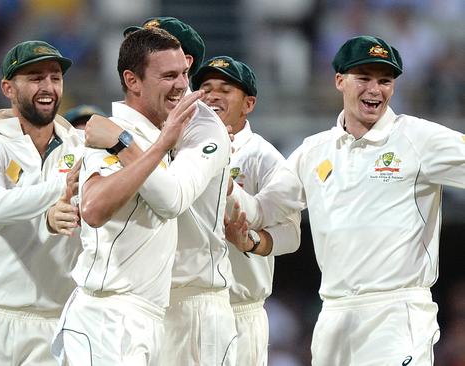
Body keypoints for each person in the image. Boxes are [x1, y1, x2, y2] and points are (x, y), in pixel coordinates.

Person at [271, 35, 465, 364]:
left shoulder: (418, 138)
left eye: (385, 81)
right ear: (339, 81)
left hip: (397, 313)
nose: (375, 90)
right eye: (364, 78)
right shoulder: (313, 150)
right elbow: (268, 205)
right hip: (334, 313)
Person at [51, 27, 226, 366]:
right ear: (132, 81)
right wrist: (146, 145)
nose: (181, 85)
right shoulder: (109, 136)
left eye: (184, 74)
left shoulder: (136, 137)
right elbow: (93, 208)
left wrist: (140, 143)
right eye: (169, 75)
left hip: (143, 316)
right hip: (108, 316)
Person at [0, 40, 84, 365]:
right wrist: (59, 191)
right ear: (8, 87)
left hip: (53, 320)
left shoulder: (81, 149)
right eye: (35, 78)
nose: (48, 86)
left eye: (55, 77)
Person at [191, 55, 302, 366]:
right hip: (185, 306)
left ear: (248, 104)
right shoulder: (182, 149)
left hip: (239, 309)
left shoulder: (262, 156)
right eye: (206, 88)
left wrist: (253, 242)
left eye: (225, 89)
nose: (212, 95)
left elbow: (292, 234)